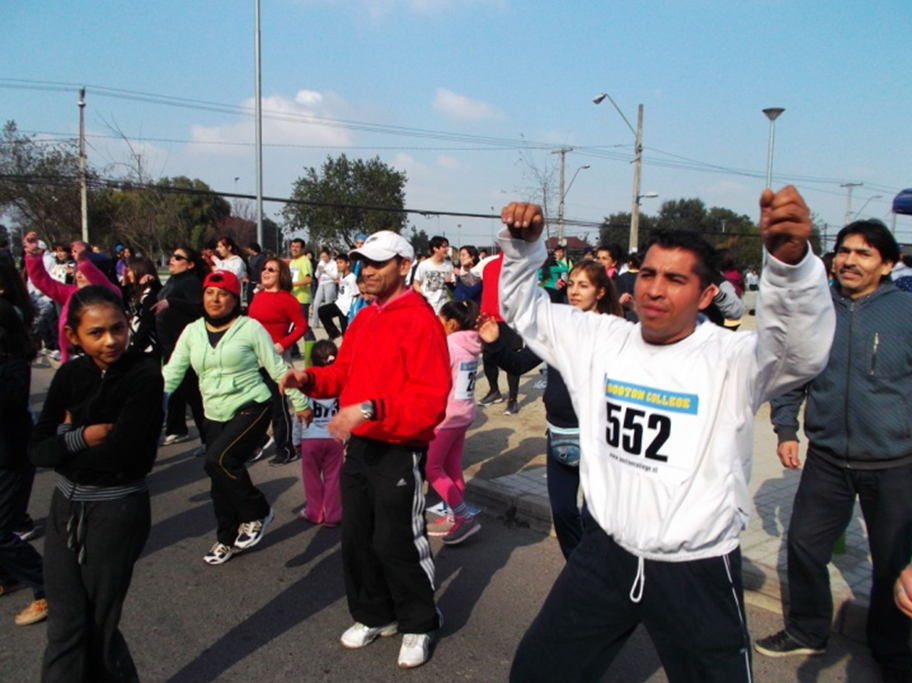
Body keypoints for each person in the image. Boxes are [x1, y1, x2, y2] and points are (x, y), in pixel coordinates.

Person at [499, 186, 835, 683]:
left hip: (694, 569)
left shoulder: (733, 359)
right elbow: (522, 311)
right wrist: (522, 249)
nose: (656, 289)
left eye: (675, 279)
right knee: (536, 672)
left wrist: (789, 266)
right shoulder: (599, 339)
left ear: (703, 295)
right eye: (650, 274)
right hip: (605, 554)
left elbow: (801, 351)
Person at [280, 230, 450, 670]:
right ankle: (375, 614)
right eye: (361, 262)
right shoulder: (364, 317)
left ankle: (420, 621)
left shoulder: (420, 320)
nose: (366, 271)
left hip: (399, 449)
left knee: (397, 540)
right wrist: (310, 379)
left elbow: (429, 402)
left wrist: (368, 410)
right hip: (359, 448)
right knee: (357, 538)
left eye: (376, 262)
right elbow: (343, 372)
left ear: (404, 265)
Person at [755, 219, 912, 683]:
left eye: (863, 253)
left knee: (892, 562)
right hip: (826, 458)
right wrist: (786, 428)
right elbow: (792, 373)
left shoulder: (906, 312)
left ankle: (893, 650)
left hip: (895, 463)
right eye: (843, 251)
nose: (848, 260)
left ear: (887, 263)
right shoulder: (815, 310)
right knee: (804, 545)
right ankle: (808, 629)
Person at [30, 285, 164, 682]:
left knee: (99, 627)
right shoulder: (71, 373)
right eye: (96, 332)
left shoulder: (142, 374)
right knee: (66, 624)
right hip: (64, 509)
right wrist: (81, 437)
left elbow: (126, 455)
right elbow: (37, 451)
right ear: (73, 335)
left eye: (118, 328)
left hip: (117, 511)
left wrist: (63, 442)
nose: (111, 340)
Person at [479, 260, 623, 559]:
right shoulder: (556, 330)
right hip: (558, 434)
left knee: (593, 516)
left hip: (598, 438)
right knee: (562, 510)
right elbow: (518, 363)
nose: (574, 291)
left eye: (583, 285)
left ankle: (598, 572)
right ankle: (578, 566)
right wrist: (493, 344)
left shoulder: (615, 332)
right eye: (570, 284)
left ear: (600, 291)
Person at [163, 270, 308, 565]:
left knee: (218, 460)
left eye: (223, 294)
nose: (215, 299)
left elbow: (276, 368)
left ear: (234, 299)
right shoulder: (192, 331)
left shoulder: (250, 328)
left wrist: (300, 402)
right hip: (213, 412)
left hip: (251, 405)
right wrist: (147, 403)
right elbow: (172, 373)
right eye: (209, 293)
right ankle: (225, 540)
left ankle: (258, 512)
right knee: (220, 480)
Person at [0, 299, 46, 626]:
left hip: (11, 458)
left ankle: (47, 587)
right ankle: (7, 574)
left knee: (1, 531)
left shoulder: (14, 365)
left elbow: (10, 402)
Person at [424, 300, 483, 545]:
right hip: (464, 413)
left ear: (451, 323)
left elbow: (434, 380)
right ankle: (454, 515)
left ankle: (463, 516)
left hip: (447, 417)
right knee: (452, 466)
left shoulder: (448, 345)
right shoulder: (471, 343)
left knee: (431, 468)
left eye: (439, 320)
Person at [246, 257, 308, 467]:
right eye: (264, 269)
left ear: (280, 275)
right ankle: (257, 442)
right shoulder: (258, 296)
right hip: (253, 359)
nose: (265, 272)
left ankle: (286, 448)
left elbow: (301, 326)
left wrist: (283, 343)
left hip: (275, 359)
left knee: (278, 408)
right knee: (251, 404)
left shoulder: (287, 299)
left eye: (271, 270)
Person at [23, 232, 121, 364]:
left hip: (103, 357)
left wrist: (83, 262)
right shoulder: (70, 293)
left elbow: (100, 281)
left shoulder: (109, 293)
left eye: (84, 271)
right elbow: (42, 281)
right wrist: (33, 255)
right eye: (77, 271)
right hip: (72, 359)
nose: (79, 275)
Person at [153, 247, 209, 450]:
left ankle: (209, 440)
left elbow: (198, 308)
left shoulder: (191, 282)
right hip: (169, 347)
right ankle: (177, 429)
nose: (172, 260)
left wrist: (172, 302)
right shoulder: (173, 280)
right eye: (171, 256)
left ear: (190, 263)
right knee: (174, 390)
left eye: (178, 257)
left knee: (194, 396)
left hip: (186, 348)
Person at [297, 339, 343, 528]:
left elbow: (298, 416)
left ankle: (314, 512)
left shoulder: (307, 384)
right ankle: (333, 514)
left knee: (311, 477)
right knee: (334, 477)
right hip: (334, 437)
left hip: (310, 437)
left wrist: (295, 439)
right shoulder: (340, 384)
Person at [477, 252, 523, 415]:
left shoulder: (520, 264)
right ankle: (494, 391)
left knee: (512, 357)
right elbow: (475, 284)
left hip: (511, 319)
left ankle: (512, 399)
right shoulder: (488, 265)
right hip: (489, 318)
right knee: (488, 357)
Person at [124, 256, 162, 359]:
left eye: (131, 270)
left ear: (139, 270)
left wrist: (135, 347)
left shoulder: (150, 296)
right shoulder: (134, 292)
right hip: (134, 343)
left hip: (148, 348)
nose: (128, 274)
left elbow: (146, 323)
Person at [318, 253, 358, 340]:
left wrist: (353, 310)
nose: (338, 265)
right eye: (337, 263)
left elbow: (356, 294)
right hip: (339, 304)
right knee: (322, 311)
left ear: (347, 263)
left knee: (346, 334)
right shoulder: (341, 276)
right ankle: (334, 332)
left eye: (341, 263)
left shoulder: (352, 278)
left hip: (346, 309)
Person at [412, 235, 452, 313]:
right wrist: (423, 297)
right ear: (435, 248)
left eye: (447, 246)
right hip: (427, 307)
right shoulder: (424, 265)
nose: (447, 249)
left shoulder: (449, 266)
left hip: (443, 309)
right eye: (444, 247)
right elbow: (416, 284)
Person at [288, 238, 314, 347]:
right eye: (293, 246)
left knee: (302, 326)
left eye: (297, 247)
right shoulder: (292, 262)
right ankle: (294, 350)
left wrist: (292, 284)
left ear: (302, 249)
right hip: (292, 298)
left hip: (302, 299)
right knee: (290, 326)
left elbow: (308, 279)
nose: (294, 249)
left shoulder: (305, 261)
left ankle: (313, 347)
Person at [311, 247, 339, 330]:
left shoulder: (333, 263)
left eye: (325, 256)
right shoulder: (321, 262)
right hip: (321, 284)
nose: (323, 258)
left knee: (328, 303)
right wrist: (318, 270)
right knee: (316, 303)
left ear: (329, 256)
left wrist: (326, 269)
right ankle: (315, 323)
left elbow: (335, 276)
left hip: (330, 283)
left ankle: (328, 323)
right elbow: (316, 276)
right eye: (322, 257)